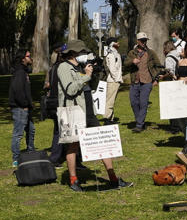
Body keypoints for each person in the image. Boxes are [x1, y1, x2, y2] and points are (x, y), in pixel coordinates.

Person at [57, 40, 132, 192]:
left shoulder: (79, 67)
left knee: (103, 143)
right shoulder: (63, 67)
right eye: (81, 52)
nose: (84, 55)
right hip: (73, 111)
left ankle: (113, 179)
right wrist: (86, 75)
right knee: (73, 145)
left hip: (88, 111)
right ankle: (73, 180)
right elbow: (70, 90)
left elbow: (92, 87)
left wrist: (93, 74)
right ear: (73, 54)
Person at [128, 32, 163, 133]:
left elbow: (158, 65)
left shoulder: (151, 53)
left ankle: (139, 125)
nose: (144, 42)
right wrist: (132, 61)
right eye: (142, 40)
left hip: (147, 82)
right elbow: (125, 64)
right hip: (135, 81)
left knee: (143, 103)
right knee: (134, 102)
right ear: (137, 41)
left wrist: (156, 79)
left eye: (145, 40)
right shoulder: (131, 53)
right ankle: (140, 120)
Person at [8, 49, 35, 167]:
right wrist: (24, 105)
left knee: (31, 130)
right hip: (20, 108)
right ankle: (16, 159)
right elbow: (18, 90)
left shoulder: (24, 71)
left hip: (25, 107)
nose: (30, 58)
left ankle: (31, 151)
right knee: (18, 133)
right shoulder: (19, 72)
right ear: (23, 58)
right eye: (28, 56)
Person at [102, 37, 123, 125]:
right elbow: (112, 69)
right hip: (113, 81)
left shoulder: (115, 54)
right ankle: (107, 119)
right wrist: (117, 79)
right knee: (109, 101)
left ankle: (111, 118)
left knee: (112, 100)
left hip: (115, 80)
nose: (118, 43)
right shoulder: (111, 55)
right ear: (112, 43)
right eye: (116, 42)